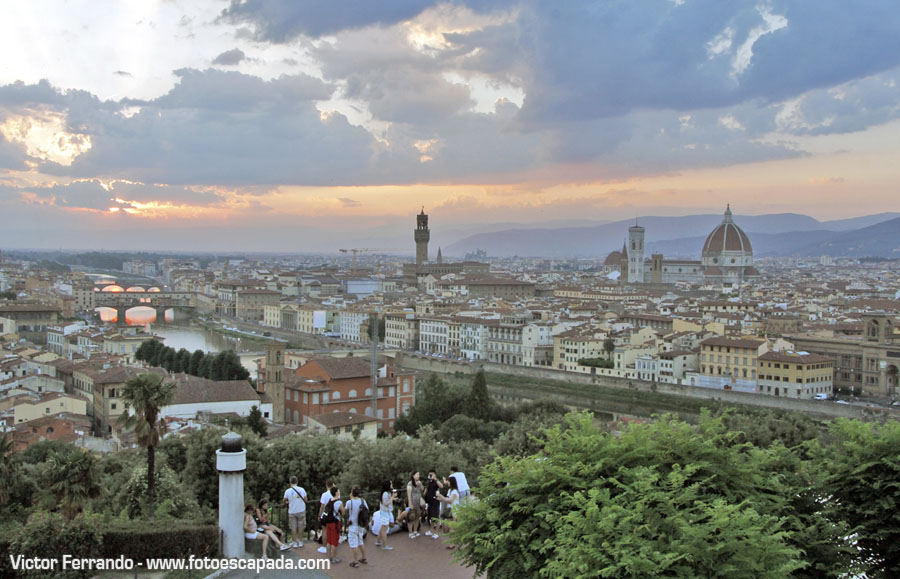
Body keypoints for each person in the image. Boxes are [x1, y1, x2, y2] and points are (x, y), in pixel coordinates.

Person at [345, 486, 369, 568]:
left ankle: (355, 561)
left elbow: (345, 511)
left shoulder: (349, 502)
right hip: (360, 525)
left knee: (354, 543)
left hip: (353, 525)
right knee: (360, 541)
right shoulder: (363, 501)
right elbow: (367, 510)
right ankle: (364, 557)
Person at [283, 476, 307, 548]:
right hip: (301, 510)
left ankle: (294, 541)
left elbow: (284, 500)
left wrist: (288, 501)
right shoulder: (302, 490)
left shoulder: (287, 491)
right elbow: (306, 499)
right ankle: (300, 541)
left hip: (292, 511)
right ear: (297, 482)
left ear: (290, 482)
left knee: (293, 527)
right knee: (301, 526)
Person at [436, 476, 460, 545]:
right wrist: (441, 498)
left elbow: (450, 500)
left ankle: (452, 544)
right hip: (449, 510)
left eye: (448, 481)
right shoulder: (450, 490)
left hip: (455, 510)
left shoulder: (455, 491)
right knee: (447, 527)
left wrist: (441, 496)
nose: (447, 483)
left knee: (452, 527)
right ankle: (452, 542)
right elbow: (447, 499)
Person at [323, 485, 343, 564]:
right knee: (334, 541)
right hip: (335, 523)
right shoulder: (338, 502)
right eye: (338, 491)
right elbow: (343, 512)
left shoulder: (329, 501)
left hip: (328, 522)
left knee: (329, 540)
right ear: (336, 493)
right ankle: (334, 558)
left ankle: (329, 557)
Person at [423, 468, 444, 539]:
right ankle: (431, 531)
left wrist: (436, 479)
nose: (431, 475)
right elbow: (426, 490)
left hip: (435, 502)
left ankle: (436, 533)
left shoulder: (436, 481)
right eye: (430, 474)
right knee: (431, 517)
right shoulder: (429, 482)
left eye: (432, 474)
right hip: (430, 502)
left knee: (436, 518)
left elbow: (441, 486)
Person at [376, 479, 396, 550]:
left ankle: (378, 541)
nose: (392, 485)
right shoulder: (385, 494)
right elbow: (386, 503)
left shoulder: (387, 493)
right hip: (385, 512)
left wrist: (393, 498)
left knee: (382, 527)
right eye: (391, 484)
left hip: (385, 512)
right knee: (384, 529)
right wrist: (392, 498)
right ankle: (385, 545)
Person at [317, 479, 334, 554]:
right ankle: (332, 545)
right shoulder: (336, 493)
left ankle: (324, 546)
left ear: (326, 485)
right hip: (333, 514)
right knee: (332, 530)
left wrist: (319, 515)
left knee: (324, 530)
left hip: (326, 514)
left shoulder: (324, 495)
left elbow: (322, 506)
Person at [406, 471, 424, 539]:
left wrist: (421, 484)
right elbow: (409, 495)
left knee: (417, 517)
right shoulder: (410, 484)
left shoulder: (419, 483)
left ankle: (415, 530)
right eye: (417, 474)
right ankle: (410, 532)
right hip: (413, 501)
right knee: (411, 517)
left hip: (418, 502)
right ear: (413, 475)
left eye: (419, 474)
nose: (418, 476)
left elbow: (422, 489)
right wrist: (410, 503)